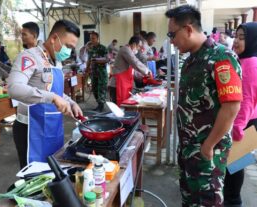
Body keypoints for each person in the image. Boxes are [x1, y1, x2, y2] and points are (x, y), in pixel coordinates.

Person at [165, 5, 242, 206]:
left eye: (172, 34)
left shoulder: (221, 57)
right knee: (190, 199)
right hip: (188, 149)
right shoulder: (191, 60)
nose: (171, 41)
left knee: (207, 201)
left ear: (189, 29)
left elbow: (232, 106)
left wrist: (208, 146)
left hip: (207, 151)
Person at [7, 19, 83, 168]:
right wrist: (53, 98)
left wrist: (71, 102)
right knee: (34, 178)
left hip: (53, 127)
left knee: (53, 172)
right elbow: (14, 87)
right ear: (54, 38)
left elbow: (56, 91)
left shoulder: (57, 62)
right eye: (67, 46)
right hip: (31, 130)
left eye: (72, 48)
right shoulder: (29, 56)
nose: (69, 51)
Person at [224, 22, 257, 207]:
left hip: (246, 122)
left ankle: (233, 202)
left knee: (235, 165)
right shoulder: (243, 59)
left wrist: (238, 127)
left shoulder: (251, 63)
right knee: (234, 164)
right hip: (244, 120)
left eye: (242, 37)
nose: (236, 40)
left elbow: (247, 98)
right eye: (236, 36)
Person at [108, 36, 149, 105]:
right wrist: (146, 71)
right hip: (117, 85)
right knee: (118, 108)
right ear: (134, 44)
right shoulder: (125, 49)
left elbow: (132, 69)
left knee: (125, 106)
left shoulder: (130, 51)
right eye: (139, 46)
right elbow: (135, 62)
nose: (139, 49)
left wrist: (141, 76)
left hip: (124, 84)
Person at [87, 31, 109, 112]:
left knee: (101, 89)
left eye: (93, 38)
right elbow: (89, 60)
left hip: (101, 73)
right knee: (94, 89)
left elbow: (107, 59)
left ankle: (101, 105)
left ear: (97, 39)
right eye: (90, 38)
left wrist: (97, 60)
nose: (92, 40)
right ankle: (98, 104)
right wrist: (86, 69)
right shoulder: (91, 49)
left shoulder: (103, 48)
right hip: (93, 72)